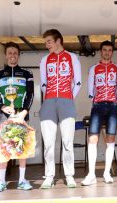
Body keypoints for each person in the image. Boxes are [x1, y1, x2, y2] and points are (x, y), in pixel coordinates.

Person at [0, 42, 35, 191]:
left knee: (22, 148)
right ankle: (1, 181)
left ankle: (22, 180)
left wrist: (24, 112)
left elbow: (31, 94)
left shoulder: (27, 74)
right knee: (3, 148)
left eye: (15, 53)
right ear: (5, 55)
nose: (12, 55)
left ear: (18, 55)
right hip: (4, 116)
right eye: (10, 52)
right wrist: (2, 107)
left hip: (21, 116)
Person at [40, 29, 81, 189]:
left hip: (67, 101)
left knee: (67, 141)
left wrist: (69, 98)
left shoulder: (72, 57)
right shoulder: (44, 59)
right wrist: (50, 97)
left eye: (49, 41)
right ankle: (49, 176)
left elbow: (78, 82)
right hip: (49, 101)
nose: (47, 45)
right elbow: (43, 83)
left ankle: (69, 175)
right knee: (49, 142)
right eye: (46, 42)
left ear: (58, 41)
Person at [81, 41, 117, 186]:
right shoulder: (94, 68)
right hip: (97, 106)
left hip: (112, 106)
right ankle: (91, 174)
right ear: (100, 51)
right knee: (93, 139)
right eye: (104, 50)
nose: (107, 52)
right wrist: (95, 100)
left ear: (112, 52)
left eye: (110, 50)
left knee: (110, 139)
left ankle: (106, 173)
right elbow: (90, 90)